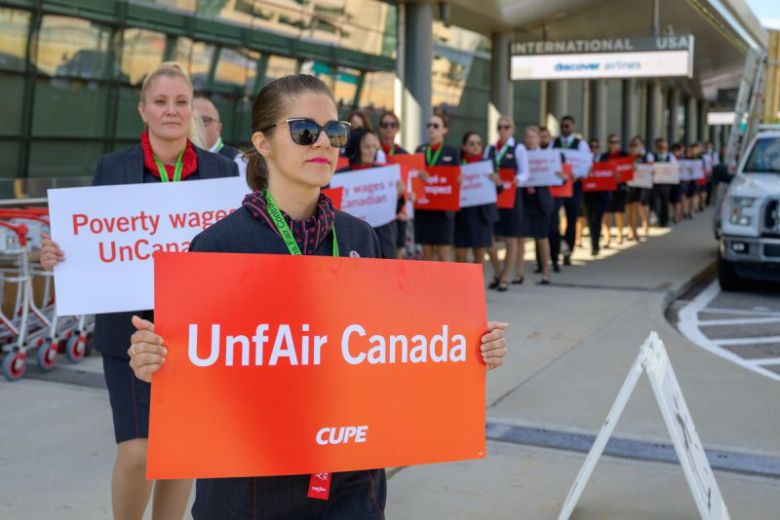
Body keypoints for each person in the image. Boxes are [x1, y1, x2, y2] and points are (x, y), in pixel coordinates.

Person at [126, 73, 509, 519]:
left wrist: (466, 347)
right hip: (250, 486)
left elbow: (396, 345)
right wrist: (154, 358)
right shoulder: (219, 246)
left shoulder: (360, 237)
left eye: (335, 132)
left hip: (350, 479)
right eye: (305, 131)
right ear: (263, 143)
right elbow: (191, 365)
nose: (324, 143)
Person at [39, 62, 238, 520]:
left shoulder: (222, 172)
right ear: (143, 109)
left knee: (181, 449)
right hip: (128, 329)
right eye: (161, 101)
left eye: (181, 102)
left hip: (194, 331)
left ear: (191, 110)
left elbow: (234, 244)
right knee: (138, 450)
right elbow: (90, 239)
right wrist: (59, 253)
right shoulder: (113, 168)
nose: (171, 110)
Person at [337, 127, 399, 259]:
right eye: (367, 147)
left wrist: (399, 196)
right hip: (351, 241)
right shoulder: (337, 178)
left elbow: (394, 211)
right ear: (355, 148)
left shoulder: (386, 174)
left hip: (383, 241)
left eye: (374, 147)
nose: (372, 151)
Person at [484, 115, 527, 291]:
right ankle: (498, 271)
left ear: (512, 129)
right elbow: (484, 169)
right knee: (488, 239)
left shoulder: (518, 148)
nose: (503, 130)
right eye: (500, 127)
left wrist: (517, 179)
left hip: (511, 198)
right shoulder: (490, 149)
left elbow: (525, 172)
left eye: (506, 127)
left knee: (511, 239)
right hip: (493, 198)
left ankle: (505, 276)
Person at [415, 112, 459, 261]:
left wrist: (459, 180)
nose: (431, 129)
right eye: (429, 125)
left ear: (444, 130)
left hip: (444, 211)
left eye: (436, 126)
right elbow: (412, 176)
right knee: (426, 255)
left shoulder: (452, 152)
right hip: (425, 209)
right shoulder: (420, 150)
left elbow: (455, 178)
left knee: (443, 255)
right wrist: (418, 175)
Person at [455, 131, 501, 265]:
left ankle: (478, 279)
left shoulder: (488, 165)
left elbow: (499, 190)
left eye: (479, 144)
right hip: (462, 215)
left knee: (479, 256)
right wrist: (456, 182)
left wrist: (497, 182)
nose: (476, 147)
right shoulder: (458, 165)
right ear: (464, 147)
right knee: (460, 255)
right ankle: (463, 279)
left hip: (482, 215)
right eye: (471, 144)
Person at [515, 126, 554, 284]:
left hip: (540, 202)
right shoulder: (519, 154)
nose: (530, 140)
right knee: (520, 239)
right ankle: (519, 273)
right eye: (528, 137)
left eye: (533, 137)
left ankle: (545, 273)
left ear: (539, 139)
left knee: (542, 239)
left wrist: (560, 176)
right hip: (523, 201)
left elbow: (558, 177)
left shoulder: (547, 156)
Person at [552, 115, 590, 266]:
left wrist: (577, 174)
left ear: (573, 127)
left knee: (572, 218)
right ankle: (558, 246)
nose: (564, 129)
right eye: (562, 126)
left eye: (567, 126)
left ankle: (568, 250)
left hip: (574, 184)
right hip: (558, 185)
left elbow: (586, 163)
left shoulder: (580, 144)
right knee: (554, 217)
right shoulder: (554, 143)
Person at [377, 111, 411, 258]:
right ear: (380, 128)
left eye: (392, 125)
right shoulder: (373, 152)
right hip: (377, 207)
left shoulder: (404, 155)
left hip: (398, 209)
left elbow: (411, 185)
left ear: (398, 128)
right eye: (385, 125)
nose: (389, 128)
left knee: (398, 250)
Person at [599, 134, 627, 248]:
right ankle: (607, 236)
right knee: (606, 212)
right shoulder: (604, 156)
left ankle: (620, 233)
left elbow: (630, 169)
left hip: (620, 187)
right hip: (607, 187)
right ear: (608, 143)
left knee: (619, 211)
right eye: (612, 142)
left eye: (616, 142)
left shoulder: (624, 155)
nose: (614, 144)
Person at [193, 96, 240, 160]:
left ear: (219, 127)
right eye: (191, 120)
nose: (196, 125)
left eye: (205, 120)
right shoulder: (179, 156)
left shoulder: (237, 160)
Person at [625, 138, 649, 241]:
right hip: (628, 186)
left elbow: (648, 170)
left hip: (639, 186)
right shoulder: (626, 157)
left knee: (636, 208)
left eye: (636, 146)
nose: (633, 148)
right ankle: (631, 229)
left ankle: (635, 230)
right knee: (629, 210)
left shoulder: (643, 158)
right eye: (632, 146)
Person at [649, 138, 672, 227]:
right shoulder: (652, 156)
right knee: (654, 201)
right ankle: (654, 218)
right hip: (654, 183)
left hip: (665, 183)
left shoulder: (670, 157)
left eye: (664, 147)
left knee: (664, 202)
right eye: (660, 147)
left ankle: (664, 221)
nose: (662, 149)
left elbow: (675, 169)